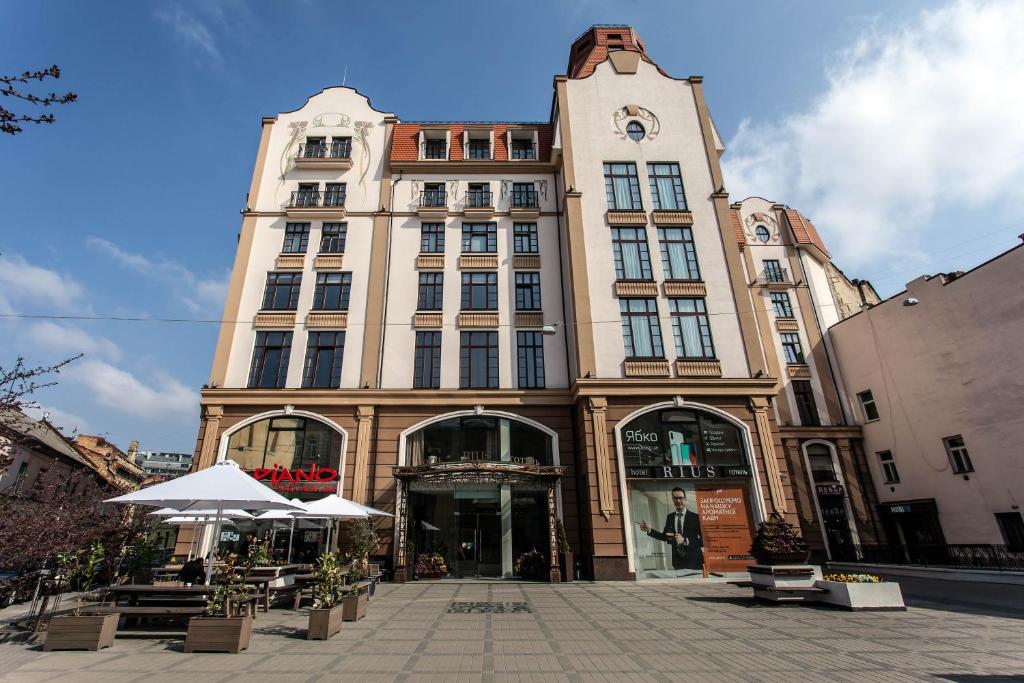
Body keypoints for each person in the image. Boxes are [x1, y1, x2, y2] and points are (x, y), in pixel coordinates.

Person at [639, 486, 703, 571]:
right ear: (673, 499)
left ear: (685, 499)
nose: (678, 501)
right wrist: (649, 530)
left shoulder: (695, 517)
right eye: (675, 498)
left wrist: (685, 541)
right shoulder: (670, 517)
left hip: (695, 561)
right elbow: (665, 537)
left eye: (680, 498)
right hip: (678, 562)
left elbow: (705, 541)